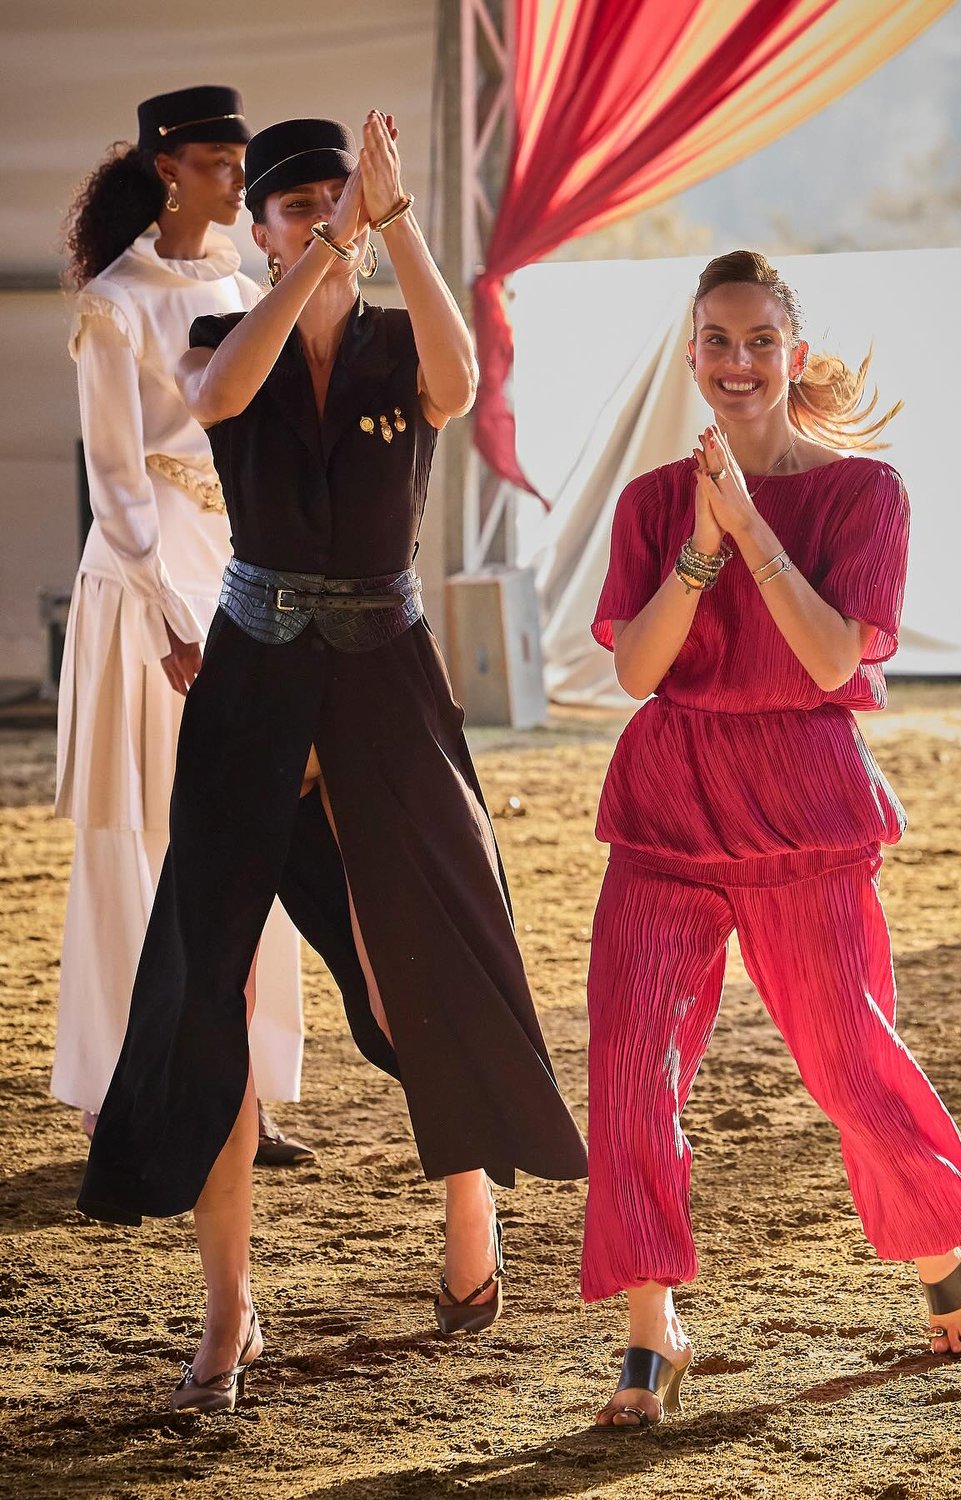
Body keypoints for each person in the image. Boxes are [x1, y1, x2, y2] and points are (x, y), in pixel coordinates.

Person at [77, 114, 587, 1413]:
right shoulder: (220, 337)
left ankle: (472, 1222)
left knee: (413, 950)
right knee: (218, 994)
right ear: (258, 230)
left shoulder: (401, 336)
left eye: (332, 201)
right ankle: (229, 1310)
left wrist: (397, 224)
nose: (321, 219)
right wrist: (326, 250)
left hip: (386, 684)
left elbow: (460, 390)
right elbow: (215, 402)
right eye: (294, 208)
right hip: (255, 684)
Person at [582, 251, 961, 1429]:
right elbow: (637, 668)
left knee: (846, 1059)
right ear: (693, 354)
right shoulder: (655, 503)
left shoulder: (869, 497)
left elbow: (827, 659)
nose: (738, 363)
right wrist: (701, 550)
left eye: (760, 340)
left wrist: (751, 526)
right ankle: (653, 1334)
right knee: (629, 1067)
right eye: (716, 340)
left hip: (805, 804)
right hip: (667, 806)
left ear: (794, 355)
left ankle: (932, 1244)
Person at [55, 85, 312, 1166]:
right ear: (170, 167)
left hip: (237, 565)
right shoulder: (113, 304)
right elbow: (113, 479)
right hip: (144, 579)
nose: (235, 179)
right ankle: (126, 1087)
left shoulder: (242, 282)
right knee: (139, 835)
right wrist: (171, 612)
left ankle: (241, 1094)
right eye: (220, 162)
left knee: (246, 827)